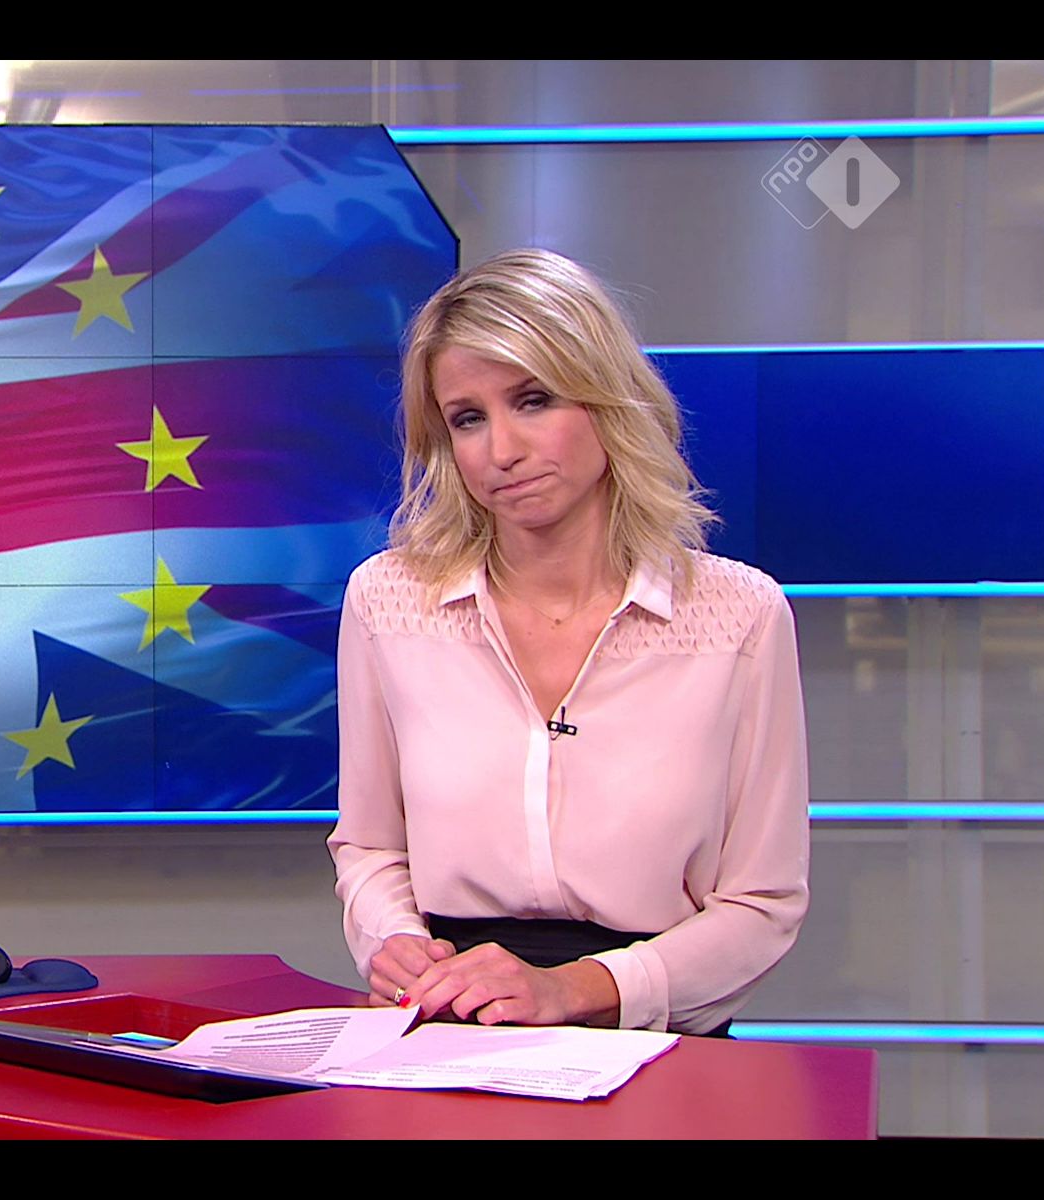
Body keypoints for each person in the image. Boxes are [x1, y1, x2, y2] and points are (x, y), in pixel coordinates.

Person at [329, 248, 809, 1037]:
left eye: (534, 400)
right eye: (468, 419)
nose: (502, 451)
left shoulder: (740, 614)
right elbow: (370, 847)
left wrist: (575, 989)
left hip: (656, 1035)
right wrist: (395, 943)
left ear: (606, 399)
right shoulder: (388, 600)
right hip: (450, 1026)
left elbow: (762, 904)